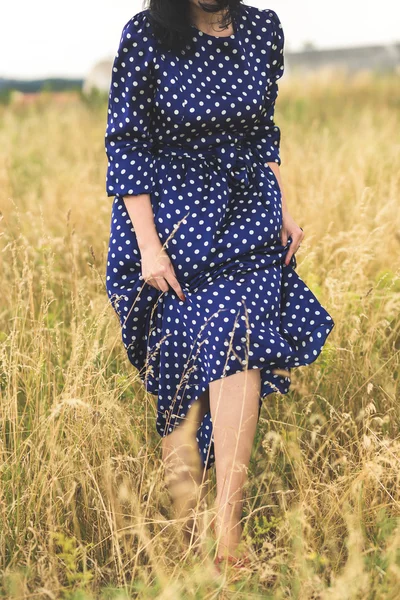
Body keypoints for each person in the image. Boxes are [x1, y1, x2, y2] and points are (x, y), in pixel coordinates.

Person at [104, 0, 335, 566]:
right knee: (182, 370)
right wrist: (149, 247)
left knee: (241, 343)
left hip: (247, 213)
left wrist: (281, 207)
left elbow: (263, 132)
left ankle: (227, 539)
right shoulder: (147, 34)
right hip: (172, 221)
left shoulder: (261, 28)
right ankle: (186, 531)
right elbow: (127, 144)